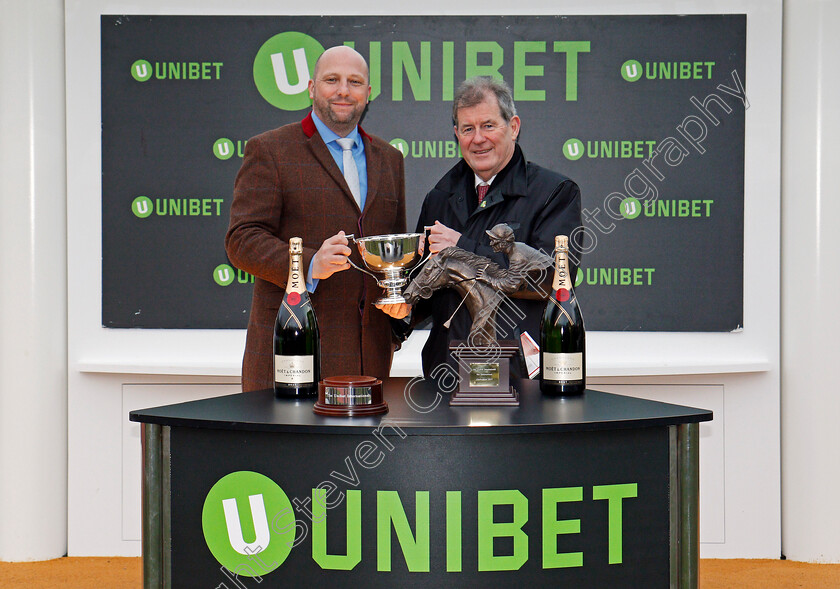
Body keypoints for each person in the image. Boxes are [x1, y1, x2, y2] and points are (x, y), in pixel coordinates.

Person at [226, 46, 408, 392]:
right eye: (332, 80)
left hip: (369, 362)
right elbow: (242, 239)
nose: (343, 90)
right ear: (311, 87)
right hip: (293, 354)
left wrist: (403, 305)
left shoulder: (390, 158)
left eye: (355, 82)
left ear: (368, 94)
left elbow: (393, 253)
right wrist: (309, 263)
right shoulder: (270, 150)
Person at [412, 76, 582, 378]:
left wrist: (462, 248)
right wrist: (399, 311)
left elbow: (550, 280)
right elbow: (425, 289)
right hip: (445, 376)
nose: (478, 138)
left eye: (488, 125)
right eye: (468, 129)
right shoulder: (438, 198)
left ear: (513, 127)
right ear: (456, 134)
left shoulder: (555, 193)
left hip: (518, 376)